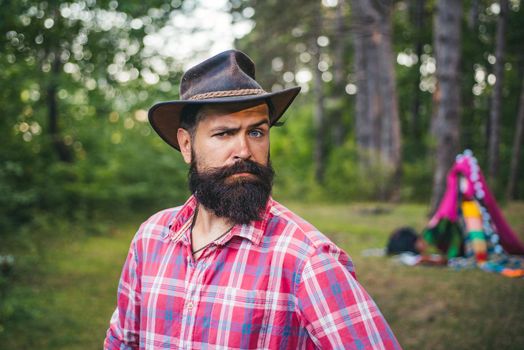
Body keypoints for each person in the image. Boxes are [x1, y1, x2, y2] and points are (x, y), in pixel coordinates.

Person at [104, 49, 401, 349]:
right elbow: (122, 341)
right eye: (224, 134)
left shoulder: (306, 259)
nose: (244, 151)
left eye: (257, 132)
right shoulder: (151, 239)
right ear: (186, 145)